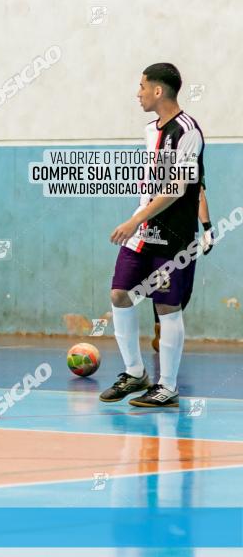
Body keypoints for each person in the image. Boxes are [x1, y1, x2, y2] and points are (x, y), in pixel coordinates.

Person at [101, 63, 204, 407]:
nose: (138, 93)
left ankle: (168, 387)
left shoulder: (189, 131)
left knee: (166, 306)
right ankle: (135, 373)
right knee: (120, 295)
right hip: (144, 231)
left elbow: (177, 188)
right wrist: (138, 219)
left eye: (142, 86)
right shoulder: (150, 130)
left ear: (158, 91)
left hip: (174, 235)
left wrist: (136, 219)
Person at [150, 190, 213, 351]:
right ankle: (162, 326)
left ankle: (163, 326)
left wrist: (207, 227)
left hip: (188, 234)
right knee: (165, 289)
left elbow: (199, 193)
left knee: (185, 290)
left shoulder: (195, 165)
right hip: (162, 233)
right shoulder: (159, 166)